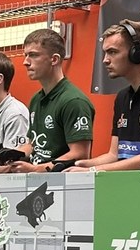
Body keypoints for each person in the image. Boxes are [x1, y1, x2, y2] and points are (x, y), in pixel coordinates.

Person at [67, 22, 140, 172]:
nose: (105, 60)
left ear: (136, 53)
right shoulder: (122, 97)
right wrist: (80, 164)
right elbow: (114, 155)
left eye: (112, 52)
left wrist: (93, 171)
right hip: (127, 182)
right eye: (105, 53)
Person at [10, 27, 95, 172]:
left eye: (33, 55)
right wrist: (12, 155)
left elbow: (80, 154)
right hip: (37, 177)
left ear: (54, 59)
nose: (25, 62)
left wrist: (36, 169)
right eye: (26, 55)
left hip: (62, 180)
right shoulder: (36, 99)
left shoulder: (74, 101)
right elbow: (33, 144)